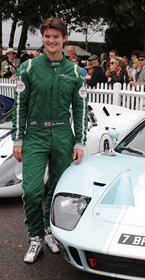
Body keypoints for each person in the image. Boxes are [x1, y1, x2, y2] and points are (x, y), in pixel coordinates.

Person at [11, 17, 89, 264]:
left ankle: (47, 230)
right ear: (43, 38)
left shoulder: (76, 72)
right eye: (47, 37)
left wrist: (80, 142)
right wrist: (17, 139)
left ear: (64, 39)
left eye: (56, 37)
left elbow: (81, 109)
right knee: (32, 190)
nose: (51, 41)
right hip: (35, 135)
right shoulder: (29, 68)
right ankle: (34, 236)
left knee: (56, 189)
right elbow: (19, 105)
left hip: (63, 136)